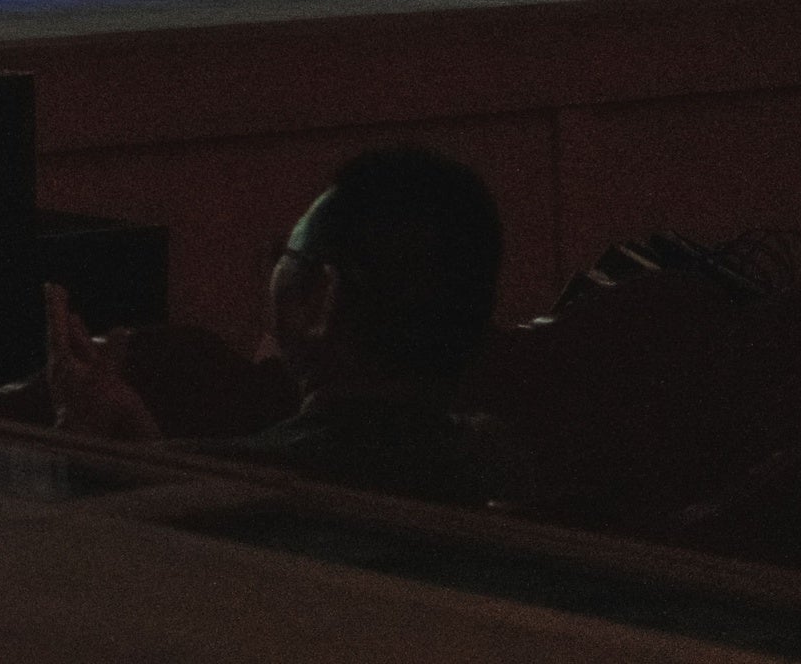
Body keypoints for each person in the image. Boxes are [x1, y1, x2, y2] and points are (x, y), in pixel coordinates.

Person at [49, 145, 506, 506]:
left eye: (284, 255)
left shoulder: (247, 484)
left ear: (321, 298)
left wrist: (78, 444)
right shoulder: (491, 461)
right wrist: (141, 447)